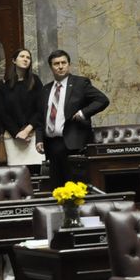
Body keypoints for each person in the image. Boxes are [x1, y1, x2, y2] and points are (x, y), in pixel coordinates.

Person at [35, 50, 109, 189]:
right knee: (57, 188)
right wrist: (39, 139)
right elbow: (40, 118)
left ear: (69, 65)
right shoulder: (46, 89)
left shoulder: (80, 83)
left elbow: (102, 100)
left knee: (75, 188)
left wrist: (83, 113)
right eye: (56, 64)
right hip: (51, 145)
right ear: (51, 67)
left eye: (64, 63)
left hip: (73, 144)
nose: (60, 66)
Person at [0, 48, 43, 142]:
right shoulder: (3, 85)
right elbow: (3, 113)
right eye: (22, 56)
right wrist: (16, 133)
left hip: (33, 134)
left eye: (28, 58)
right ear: (14, 60)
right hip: (12, 136)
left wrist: (27, 130)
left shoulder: (35, 81)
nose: (25, 59)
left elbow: (41, 108)